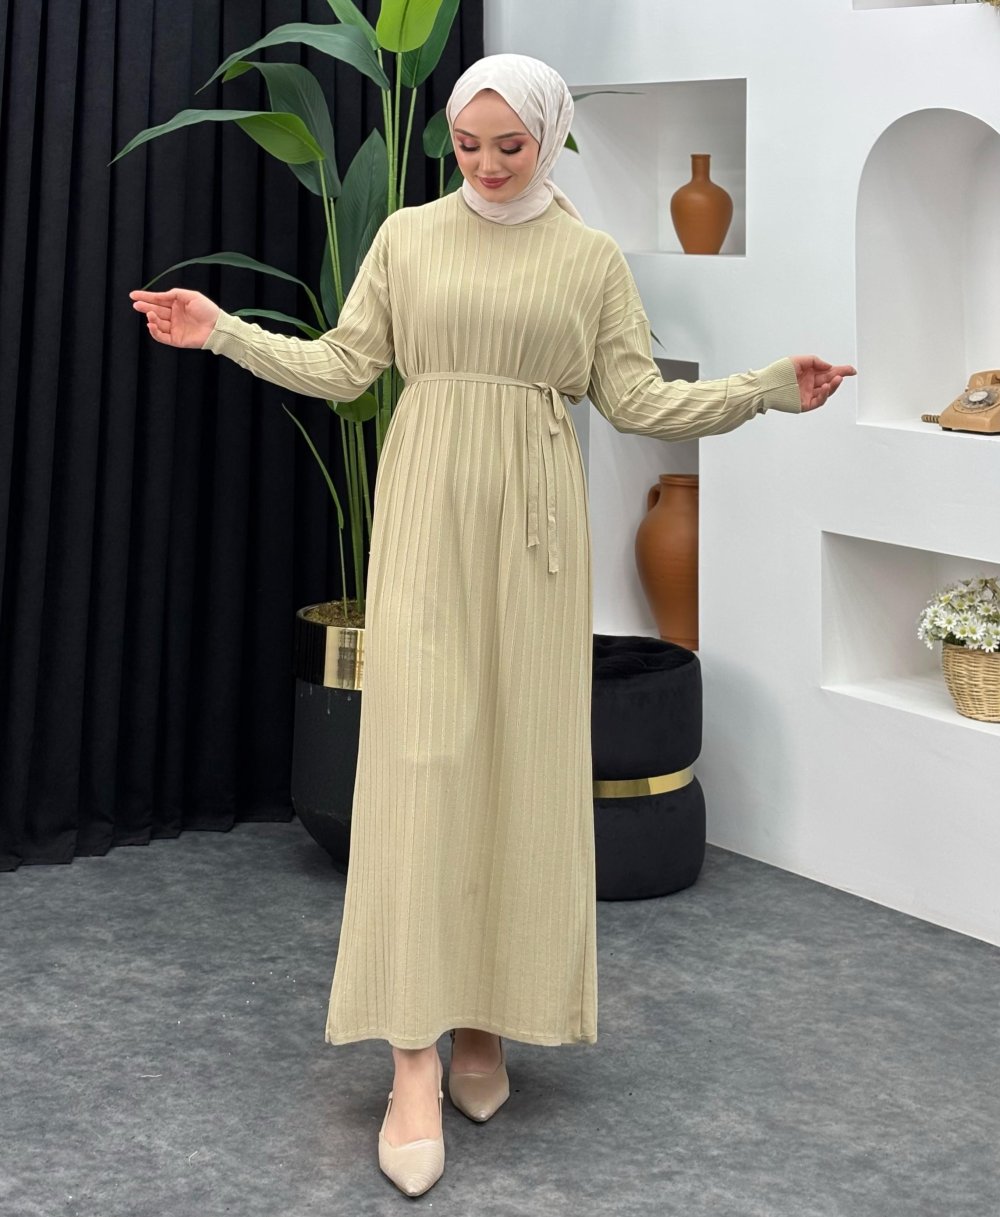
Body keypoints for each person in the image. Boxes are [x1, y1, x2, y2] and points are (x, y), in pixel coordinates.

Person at [130, 52, 855, 1198]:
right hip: (425, 524)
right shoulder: (408, 238)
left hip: (533, 543)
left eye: (508, 145)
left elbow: (637, 400)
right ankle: (412, 1059)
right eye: (467, 145)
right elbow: (343, 366)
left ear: (548, 136)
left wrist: (764, 387)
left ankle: (488, 1019)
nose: (485, 163)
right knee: (418, 773)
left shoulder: (588, 258)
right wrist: (223, 330)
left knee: (517, 770)